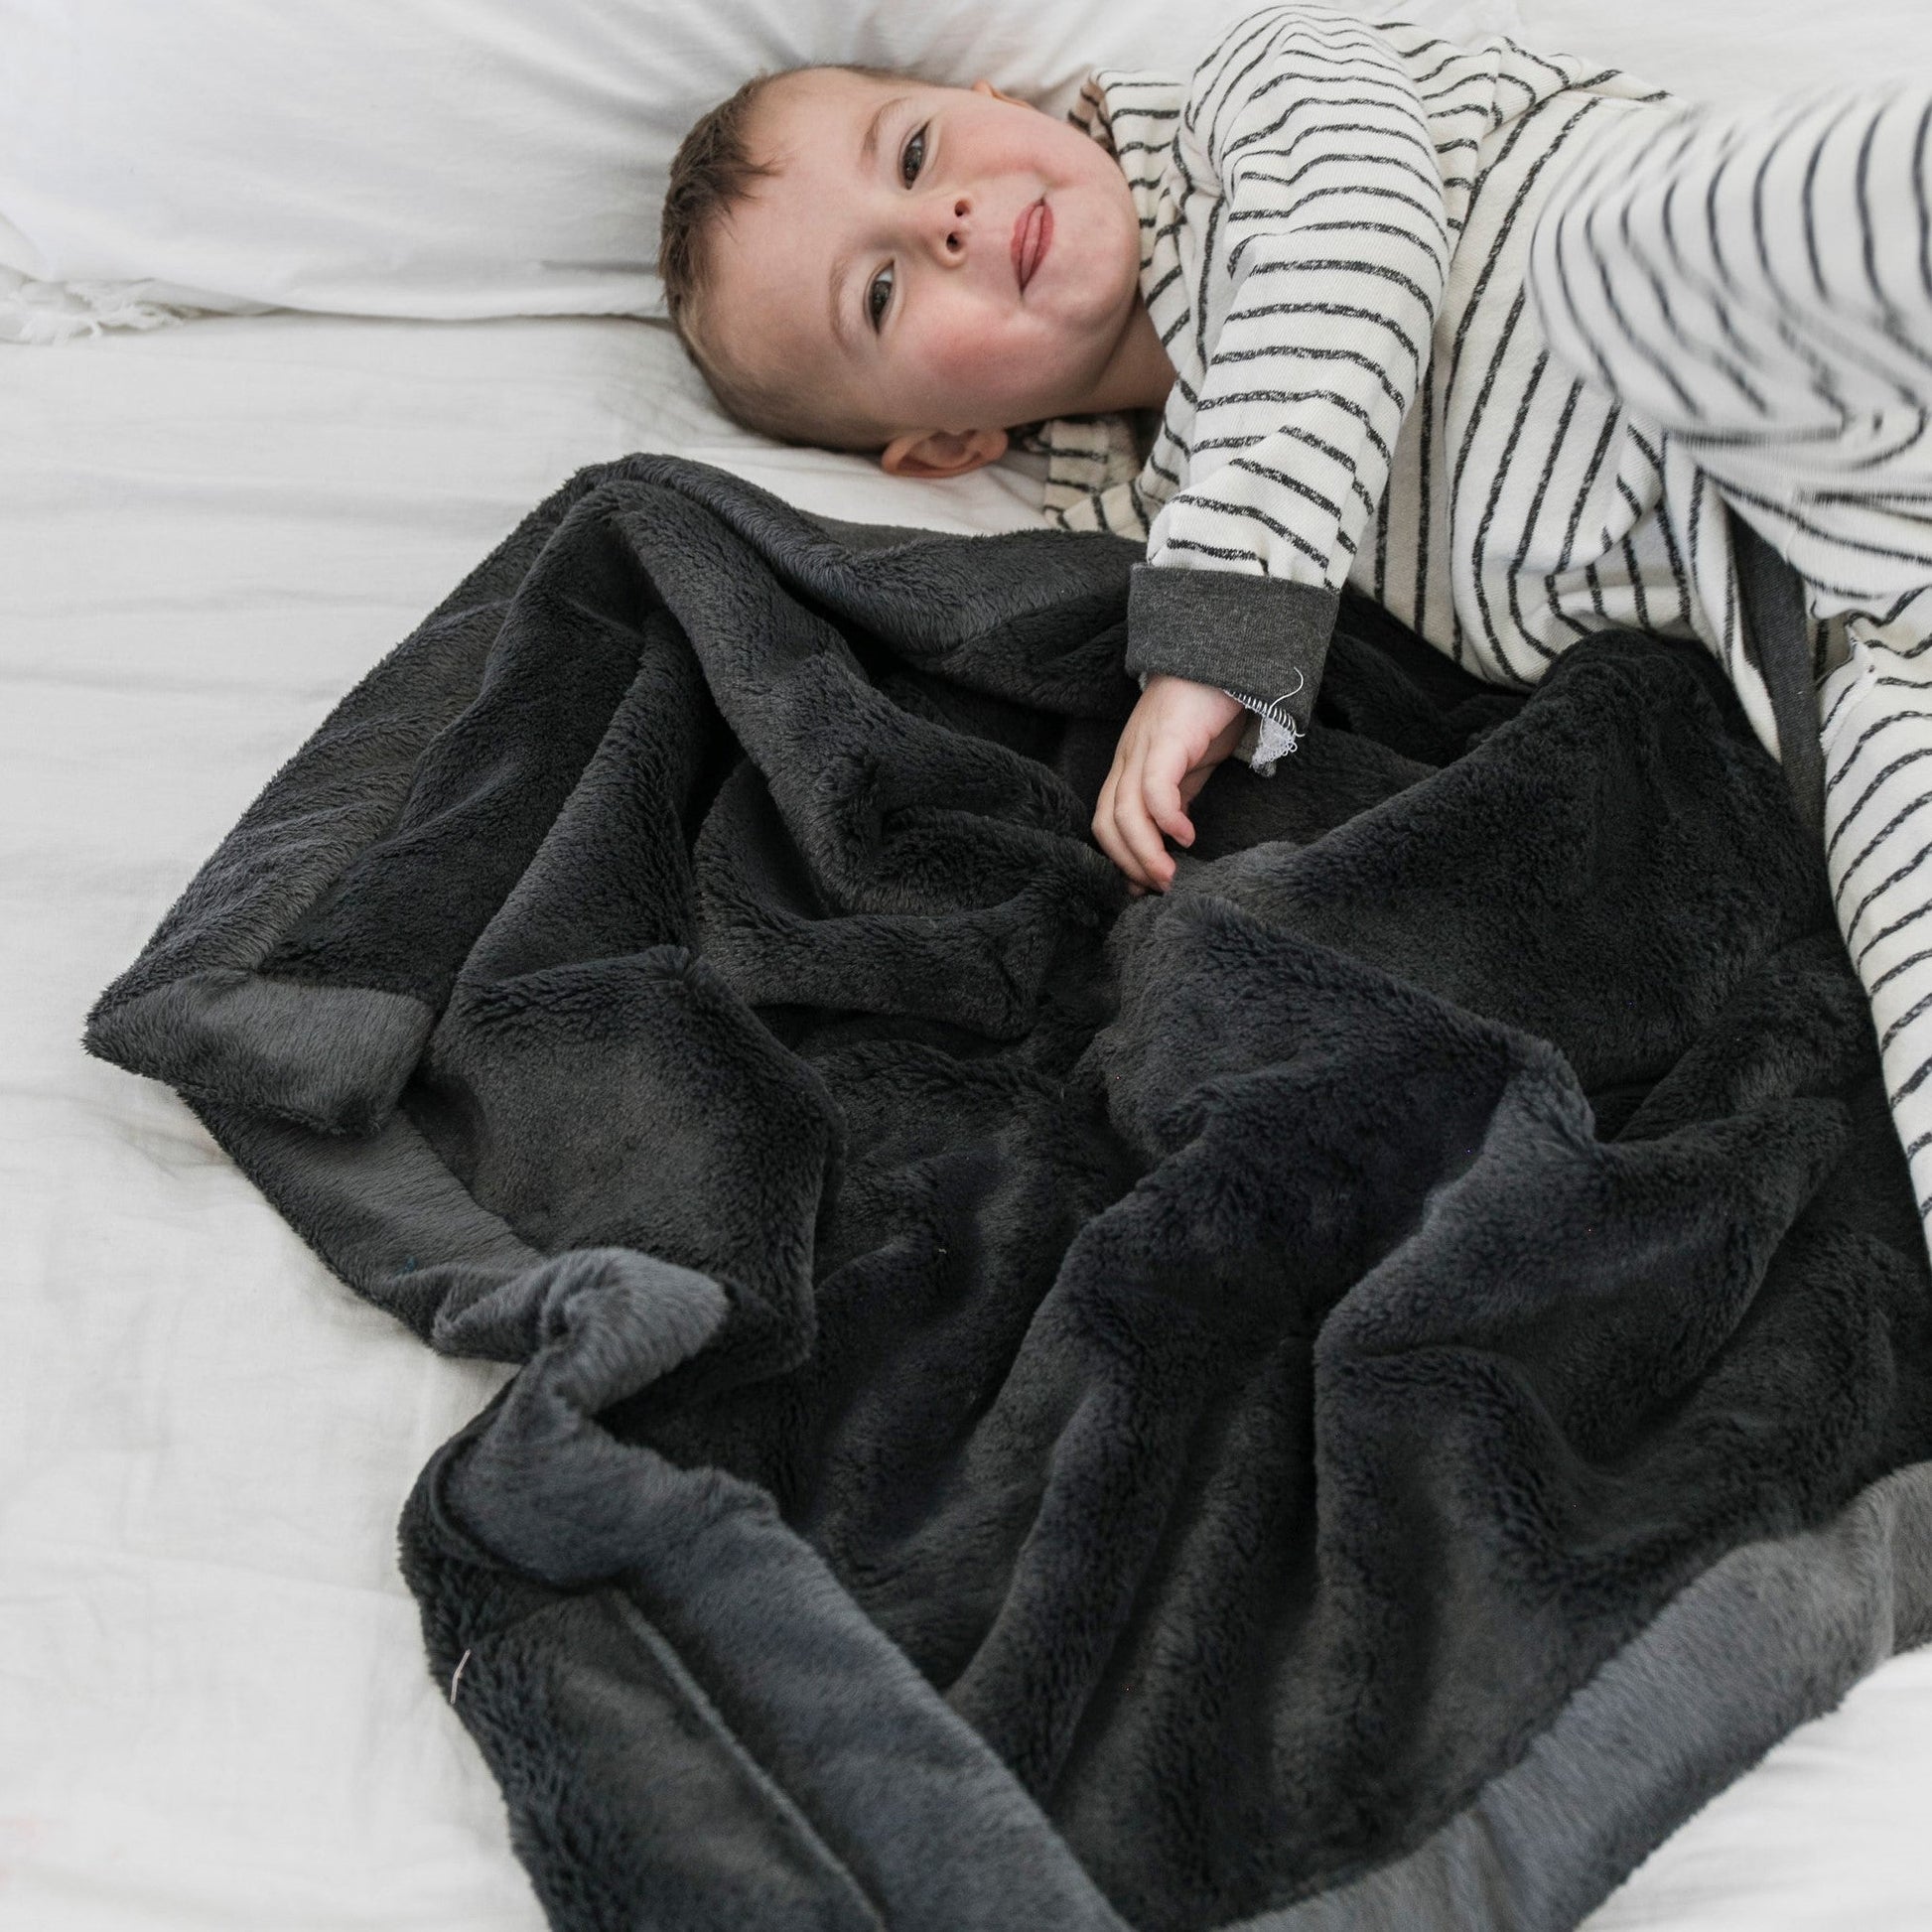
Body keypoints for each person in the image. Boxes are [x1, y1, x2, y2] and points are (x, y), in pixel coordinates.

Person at [658, 7, 1932, 1231]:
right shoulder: (1147, 535)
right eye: (877, 293)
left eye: (916, 150)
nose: (942, 219)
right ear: (947, 445)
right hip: (1815, 617)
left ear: (994, 99)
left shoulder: (1264, 95)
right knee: (1888, 889)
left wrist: (1211, 640)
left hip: (1808, 352)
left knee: (1622, 252)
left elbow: (1353, 264)